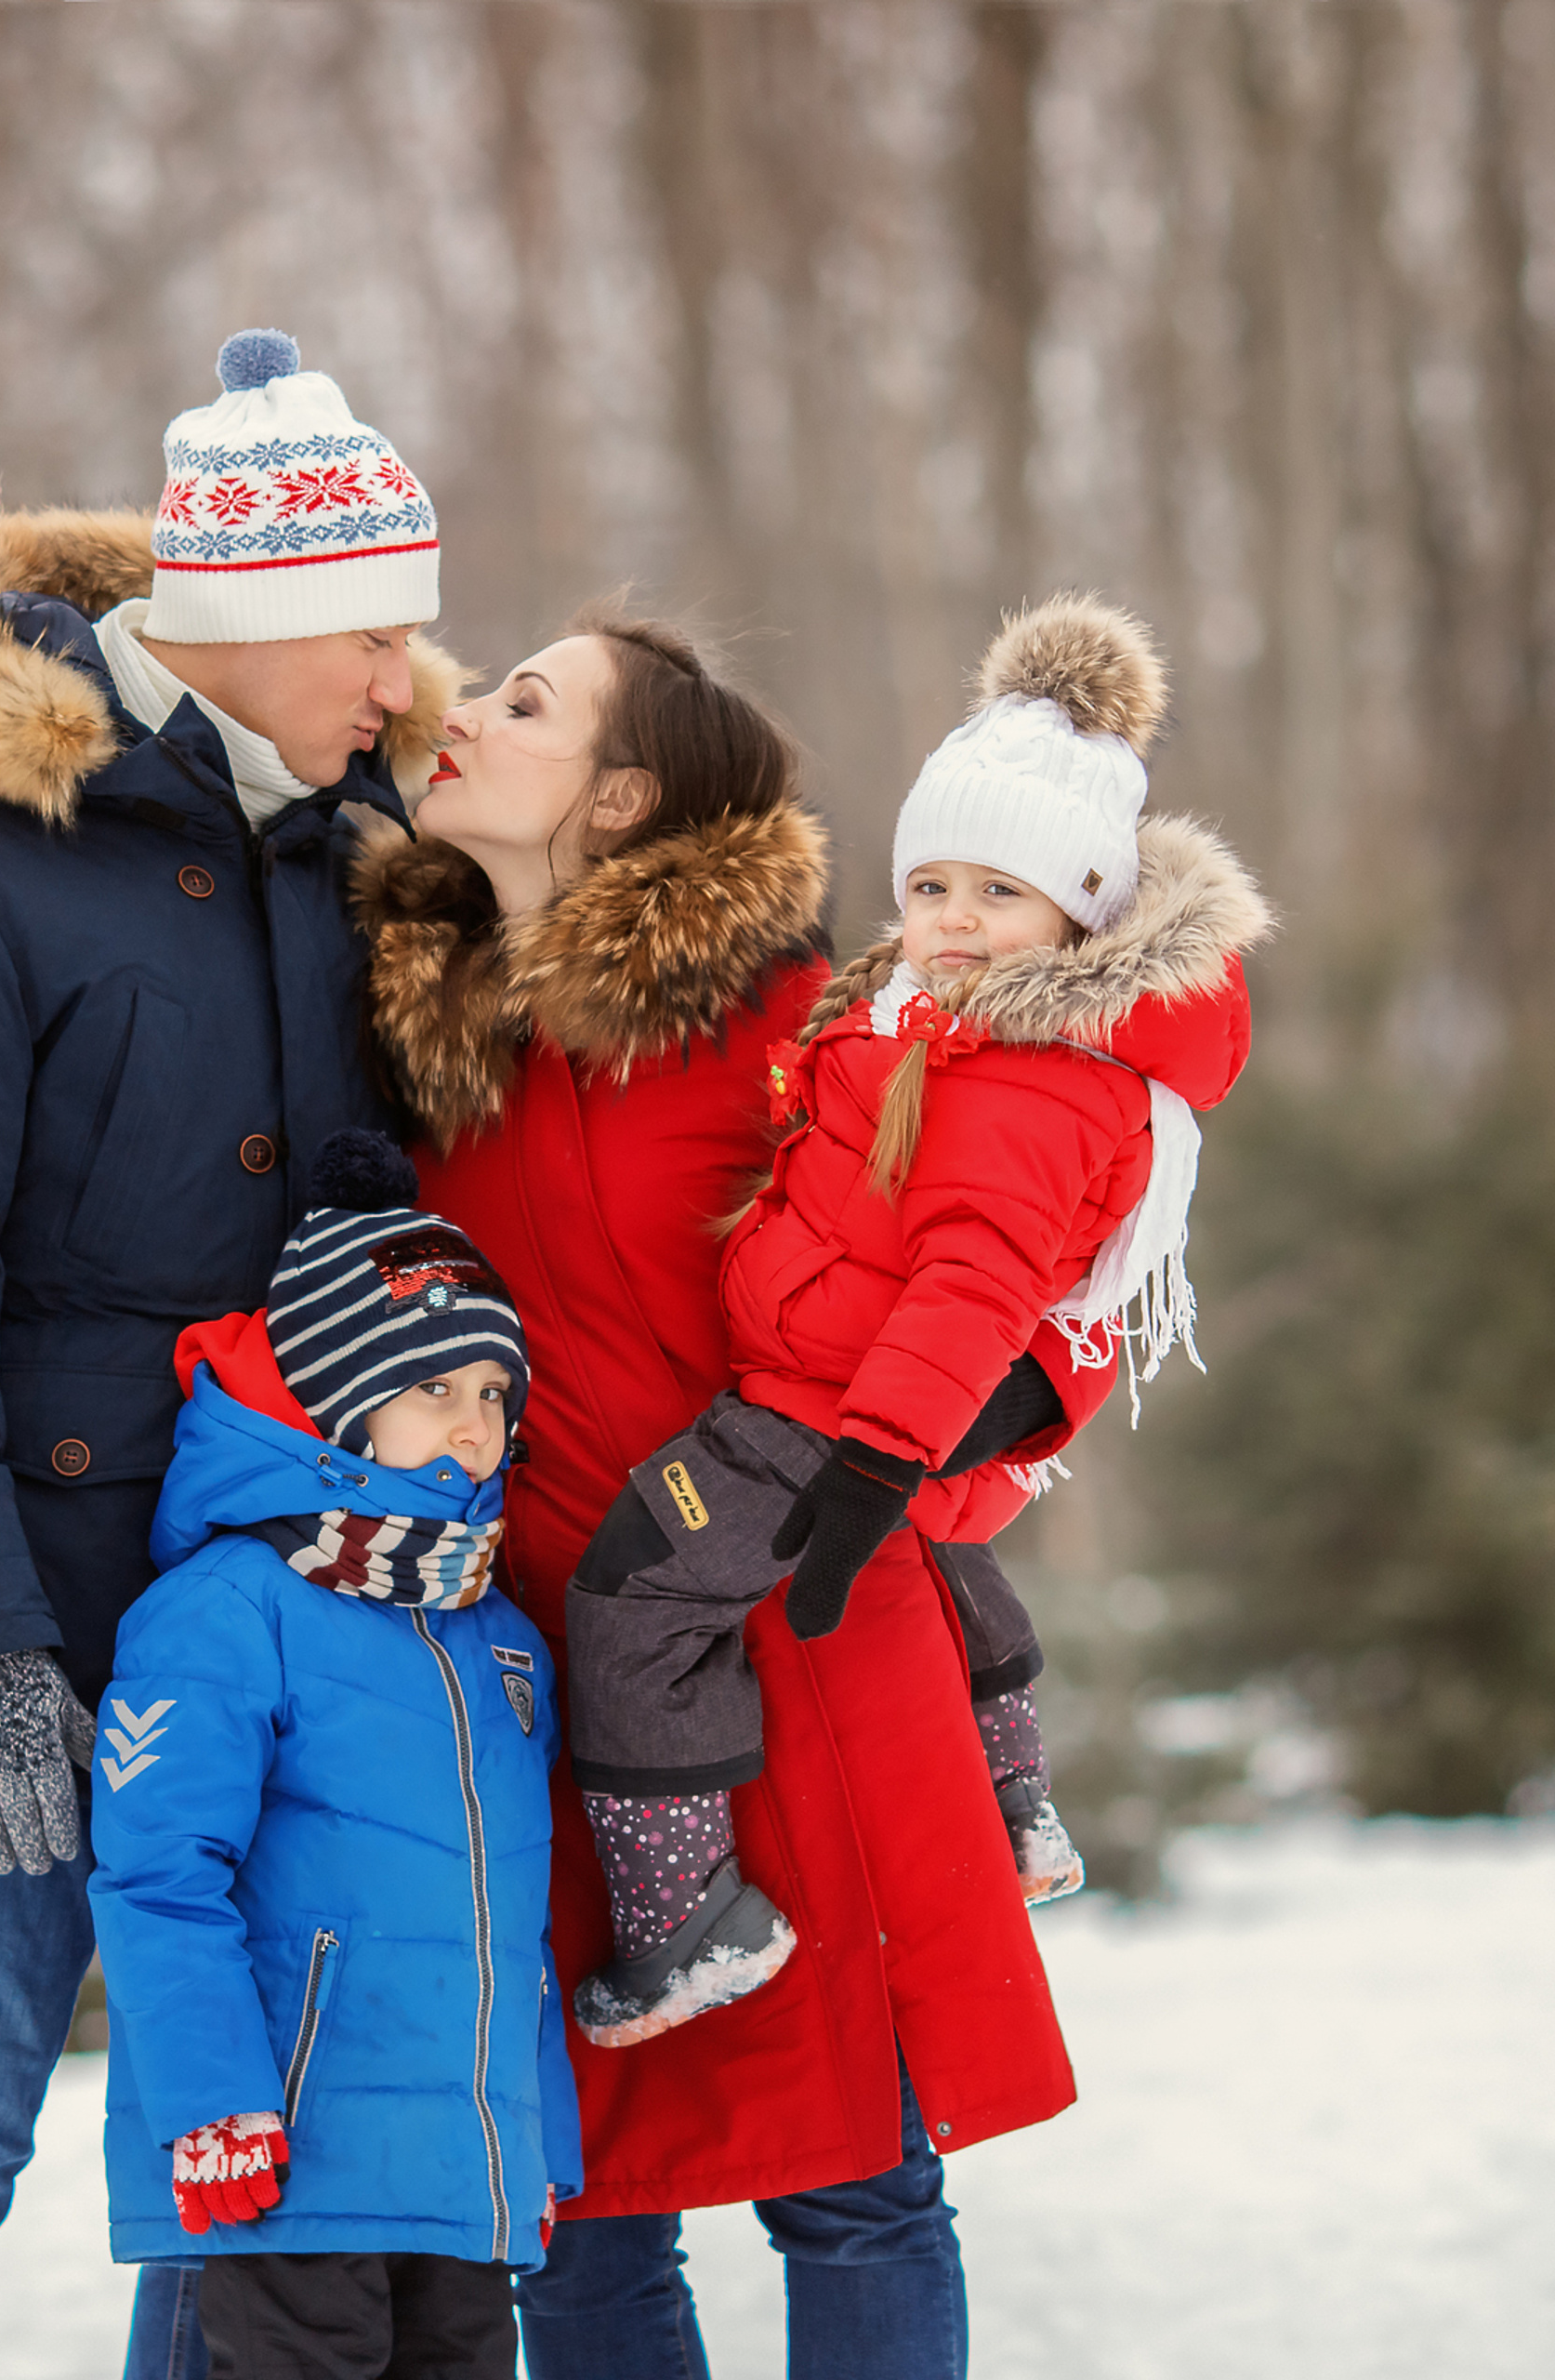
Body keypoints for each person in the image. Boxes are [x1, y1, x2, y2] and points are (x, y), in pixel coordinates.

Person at [0, 330, 461, 2380]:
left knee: (226, 2151)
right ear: (249, 611)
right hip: (36, 1614)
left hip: (287, 1621)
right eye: (374, 632)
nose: (404, 677)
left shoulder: (352, 855)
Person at [353, 606, 1041, 2380]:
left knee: (856, 2181)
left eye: (526, 704)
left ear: (621, 797)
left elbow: (1002, 1237)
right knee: (580, 2209)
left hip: (802, 1628)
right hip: (545, 1668)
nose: (466, 712)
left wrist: (986, 1420)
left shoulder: (793, 1022)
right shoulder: (437, 1045)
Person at [561, 593, 1272, 2050]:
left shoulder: (1026, 1080)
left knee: (635, 1597)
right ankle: (1015, 1804)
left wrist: (881, 1461)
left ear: (1081, 914)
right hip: (833, 1381)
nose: (953, 919)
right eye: (933, 884)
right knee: (945, 1567)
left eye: (1000, 892)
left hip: (827, 1414)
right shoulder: (924, 1023)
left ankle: (685, 1917)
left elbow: (975, 1285)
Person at [87, 1131, 581, 2380]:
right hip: (290, 2162)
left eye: (495, 1393)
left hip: (461, 2174)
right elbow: (158, 1879)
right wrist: (213, 2104)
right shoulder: (226, 1609)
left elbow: (510, 1923)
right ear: (338, 1400)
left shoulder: (500, 1638)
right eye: (435, 1388)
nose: (475, 1425)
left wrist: (534, 2141)